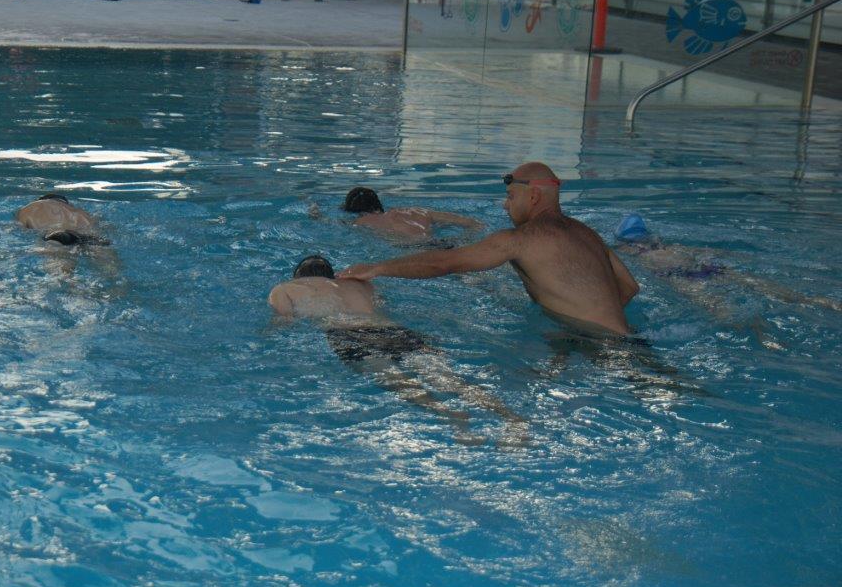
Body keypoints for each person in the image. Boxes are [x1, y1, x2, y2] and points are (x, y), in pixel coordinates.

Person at [340, 163, 640, 336]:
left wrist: (378, 268)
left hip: (598, 345)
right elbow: (629, 288)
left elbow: (446, 263)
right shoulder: (588, 234)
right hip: (626, 339)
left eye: (511, 196)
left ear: (534, 197)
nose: (505, 205)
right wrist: (586, 317)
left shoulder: (520, 239)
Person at [270, 255, 526, 440]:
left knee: (398, 381)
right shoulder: (360, 283)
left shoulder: (285, 289)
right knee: (449, 378)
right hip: (394, 330)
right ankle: (510, 417)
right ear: (332, 274)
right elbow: (381, 306)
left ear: (298, 277)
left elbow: (284, 321)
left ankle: (452, 416)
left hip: (349, 335)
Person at [613, 213, 842, 347]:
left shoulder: (632, 253)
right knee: (773, 290)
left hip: (682, 279)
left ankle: (762, 335)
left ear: (626, 242)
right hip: (712, 270)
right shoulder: (672, 246)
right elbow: (717, 253)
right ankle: (822, 302)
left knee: (723, 310)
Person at [338, 186, 482, 243]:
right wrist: (462, 239)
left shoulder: (360, 222)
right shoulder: (417, 211)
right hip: (443, 243)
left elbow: (335, 225)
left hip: (413, 251)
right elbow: (473, 223)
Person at [15, 193, 108, 247]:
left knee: (62, 270)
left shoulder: (30, 208)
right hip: (86, 237)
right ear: (65, 203)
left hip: (56, 236)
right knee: (107, 263)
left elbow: (20, 231)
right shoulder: (83, 213)